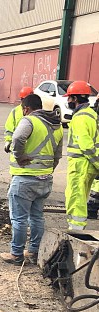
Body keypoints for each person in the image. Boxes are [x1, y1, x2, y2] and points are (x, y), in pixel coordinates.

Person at [0, 94, 63, 265]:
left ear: (26, 108)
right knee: (36, 217)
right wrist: (46, 171)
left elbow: (18, 138)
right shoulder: (56, 126)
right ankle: (34, 252)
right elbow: (57, 155)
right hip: (45, 180)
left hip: (25, 179)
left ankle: (16, 254)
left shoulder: (29, 121)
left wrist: (20, 158)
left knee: (19, 218)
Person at [64, 81, 99, 230]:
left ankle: (76, 230)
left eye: (69, 98)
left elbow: (86, 146)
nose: (68, 101)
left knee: (75, 198)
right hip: (87, 166)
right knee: (80, 197)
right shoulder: (91, 114)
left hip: (80, 165)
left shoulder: (80, 117)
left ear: (76, 98)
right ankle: (77, 227)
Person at [4, 86, 34, 153]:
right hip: (17, 147)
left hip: (32, 148)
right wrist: (8, 141)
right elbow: (9, 128)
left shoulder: (36, 110)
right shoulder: (15, 111)